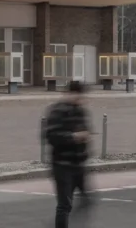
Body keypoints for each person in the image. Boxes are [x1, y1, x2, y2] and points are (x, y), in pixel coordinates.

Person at [44, 81, 92, 228]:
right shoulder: (57, 111)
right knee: (64, 204)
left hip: (78, 164)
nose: (81, 100)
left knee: (86, 200)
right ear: (71, 94)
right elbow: (51, 136)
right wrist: (74, 137)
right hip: (62, 165)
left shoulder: (80, 111)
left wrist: (85, 143)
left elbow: (85, 130)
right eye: (79, 96)